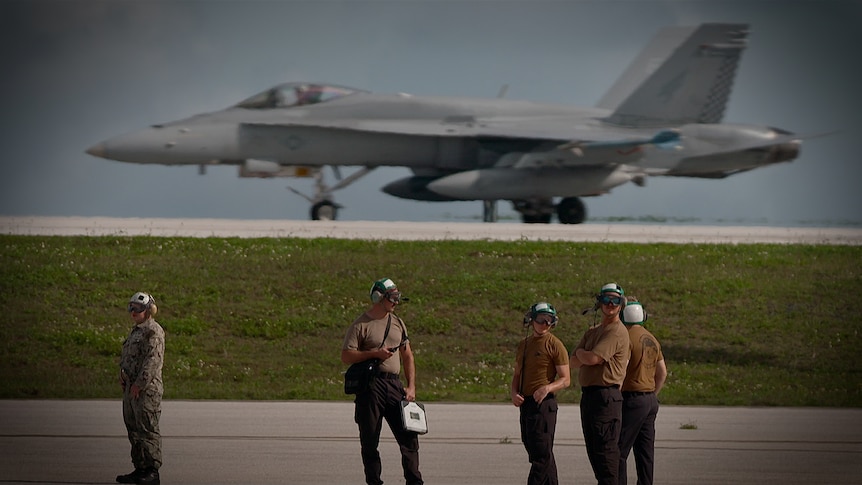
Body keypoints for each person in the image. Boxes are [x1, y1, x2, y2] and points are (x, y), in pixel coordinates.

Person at [341, 278, 423, 485]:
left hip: (394, 385)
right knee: (369, 440)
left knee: (409, 437)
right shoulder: (361, 324)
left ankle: (414, 481)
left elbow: (408, 356)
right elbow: (346, 355)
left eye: (398, 299)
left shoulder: (398, 323)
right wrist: (374, 354)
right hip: (371, 387)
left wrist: (411, 386)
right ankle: (374, 481)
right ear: (379, 297)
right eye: (393, 298)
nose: (396, 303)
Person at [571, 283, 631, 485]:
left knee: (606, 455)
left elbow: (592, 359)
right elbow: (573, 362)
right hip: (590, 397)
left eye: (615, 300)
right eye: (606, 299)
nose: (610, 304)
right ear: (599, 303)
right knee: (595, 453)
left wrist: (582, 353)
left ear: (621, 304)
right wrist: (582, 355)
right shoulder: (593, 331)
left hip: (606, 397)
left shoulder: (616, 331)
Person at [511, 302, 571, 485]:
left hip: (544, 405)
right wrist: (514, 392)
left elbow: (566, 379)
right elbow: (517, 374)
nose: (545, 324)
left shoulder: (555, 345)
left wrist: (547, 388)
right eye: (541, 319)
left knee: (541, 457)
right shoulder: (524, 344)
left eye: (549, 320)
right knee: (537, 452)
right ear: (531, 319)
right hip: (526, 404)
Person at [117, 292, 165, 485]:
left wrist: (139, 384)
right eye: (131, 308)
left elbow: (152, 361)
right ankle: (140, 468)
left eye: (137, 309)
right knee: (134, 429)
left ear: (148, 310)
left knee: (147, 428)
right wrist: (124, 377)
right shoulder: (136, 331)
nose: (133, 312)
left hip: (146, 390)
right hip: (131, 388)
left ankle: (152, 471)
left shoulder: (154, 331)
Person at [618, 298, 667, 485]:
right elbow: (662, 372)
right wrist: (652, 395)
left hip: (631, 399)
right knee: (645, 453)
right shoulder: (652, 338)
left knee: (618, 451)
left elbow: (621, 371)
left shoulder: (625, 338)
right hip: (649, 401)